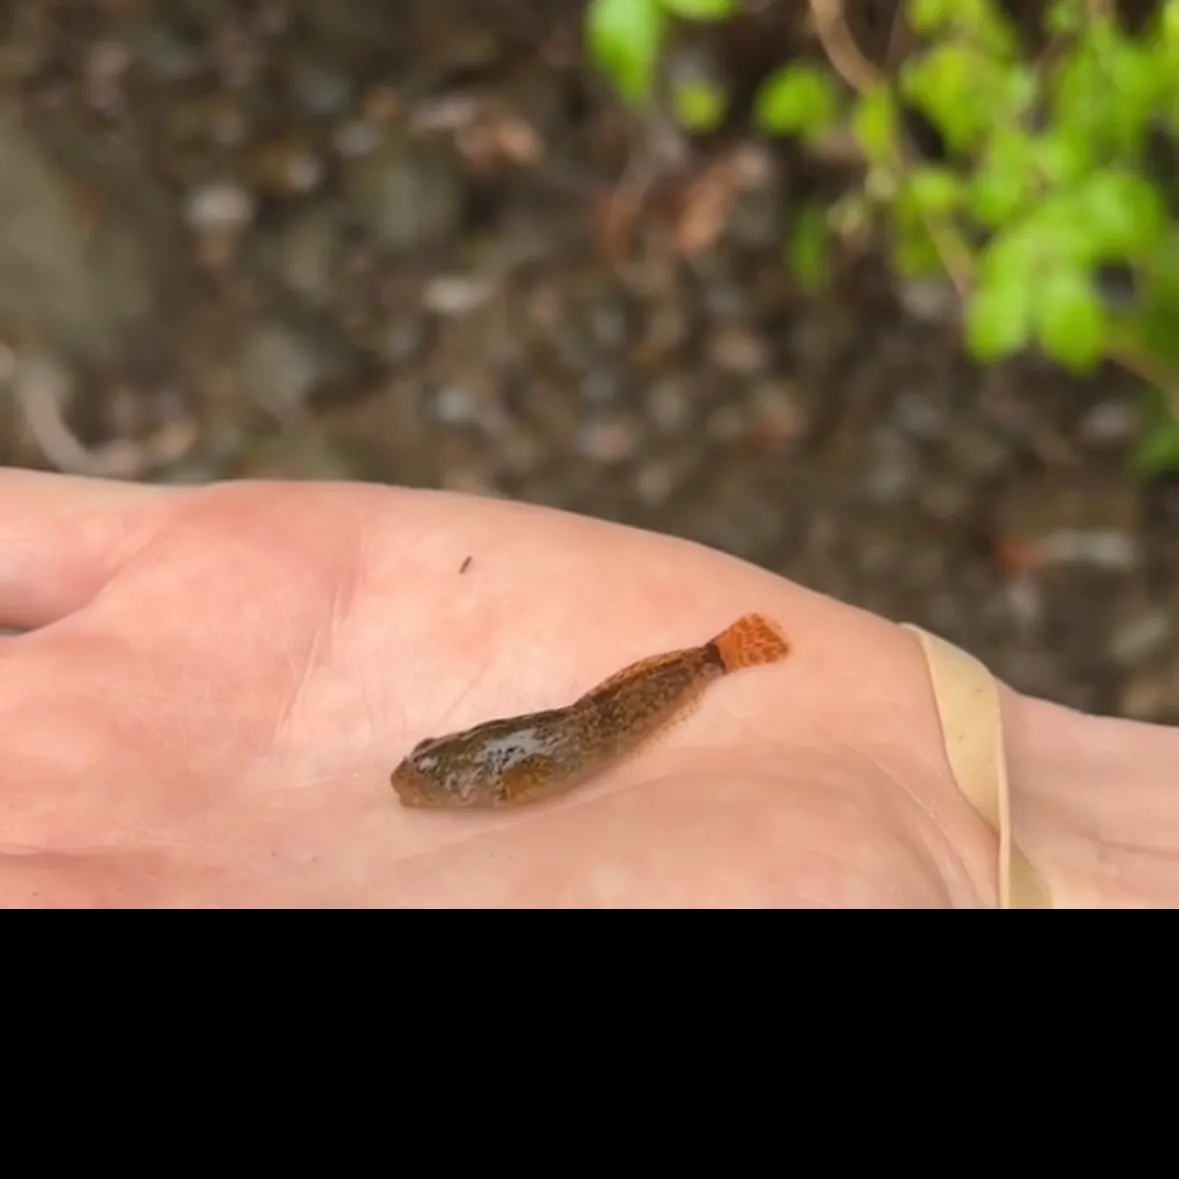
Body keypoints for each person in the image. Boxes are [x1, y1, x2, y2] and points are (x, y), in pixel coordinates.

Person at [0, 466, 1174, 908]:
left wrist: (993, 848)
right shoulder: (486, 772)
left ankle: (718, 658)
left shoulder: (502, 776)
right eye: (422, 773)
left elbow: (544, 744)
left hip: (611, 713)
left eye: (424, 773)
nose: (417, 780)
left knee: (662, 690)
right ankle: (715, 659)